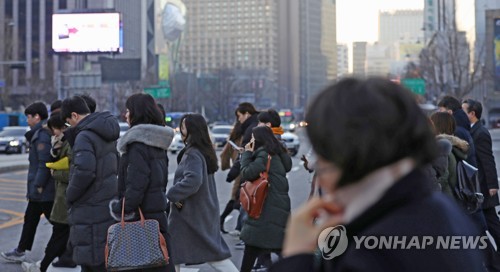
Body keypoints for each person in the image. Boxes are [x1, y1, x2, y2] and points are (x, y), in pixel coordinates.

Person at [271, 77, 485, 271]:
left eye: (324, 158)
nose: (322, 177)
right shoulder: (437, 208)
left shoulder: (373, 253)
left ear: (349, 155)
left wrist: (296, 257)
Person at [110, 93, 175, 272]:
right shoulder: (157, 143)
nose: (126, 115)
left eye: (129, 111)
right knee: (159, 262)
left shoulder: (137, 145)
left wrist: (122, 207)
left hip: (142, 218)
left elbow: (136, 185)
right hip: (157, 215)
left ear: (137, 113)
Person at [166, 113, 238, 272]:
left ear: (192, 129)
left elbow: (194, 180)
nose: (181, 128)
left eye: (184, 125)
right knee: (176, 253)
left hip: (191, 213)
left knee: (213, 255)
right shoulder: (203, 150)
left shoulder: (192, 153)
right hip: (200, 210)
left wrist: (173, 193)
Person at [61, 96, 119, 272]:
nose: (70, 126)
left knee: (92, 259)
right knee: (103, 256)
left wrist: (70, 195)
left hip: (89, 205)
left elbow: (84, 171)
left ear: (74, 115)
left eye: (69, 122)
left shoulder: (84, 136)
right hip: (106, 200)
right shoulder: (104, 131)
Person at [1, 102, 55, 265]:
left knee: (57, 222)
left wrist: (38, 185)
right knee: (31, 218)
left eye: (28, 117)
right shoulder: (39, 133)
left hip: (42, 189)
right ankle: (20, 250)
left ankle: (69, 246)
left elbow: (43, 162)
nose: (26, 121)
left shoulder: (42, 135)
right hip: (39, 189)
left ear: (37, 117)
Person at [21, 113, 75, 272]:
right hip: (62, 194)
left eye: (55, 130)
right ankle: (62, 259)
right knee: (61, 231)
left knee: (59, 230)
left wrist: (51, 175)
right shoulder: (62, 141)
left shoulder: (71, 142)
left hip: (65, 195)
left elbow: (71, 170)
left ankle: (43, 265)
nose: (54, 134)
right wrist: (55, 149)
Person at [239, 126, 292, 272]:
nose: (251, 140)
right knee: (280, 249)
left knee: (251, 250)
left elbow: (246, 173)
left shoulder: (263, 154)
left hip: (264, 211)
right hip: (278, 211)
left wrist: (246, 154)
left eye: (252, 138)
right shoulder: (278, 153)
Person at [463, 99, 500, 266]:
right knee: (490, 223)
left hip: (485, 187)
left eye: (464, 110)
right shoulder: (472, 131)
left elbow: (488, 160)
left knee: (492, 225)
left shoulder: (481, 133)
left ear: (472, 113)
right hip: (480, 186)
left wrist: (493, 185)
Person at [438, 95, 477, 167]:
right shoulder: (461, 126)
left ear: (449, 112)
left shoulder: (456, 131)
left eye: (441, 110)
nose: (438, 113)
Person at [219, 121, 243, 234]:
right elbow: (224, 154)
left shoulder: (234, 137)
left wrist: (226, 166)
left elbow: (224, 154)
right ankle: (223, 219)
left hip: (238, 170)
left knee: (239, 198)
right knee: (237, 198)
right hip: (241, 171)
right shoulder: (246, 137)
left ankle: (237, 225)